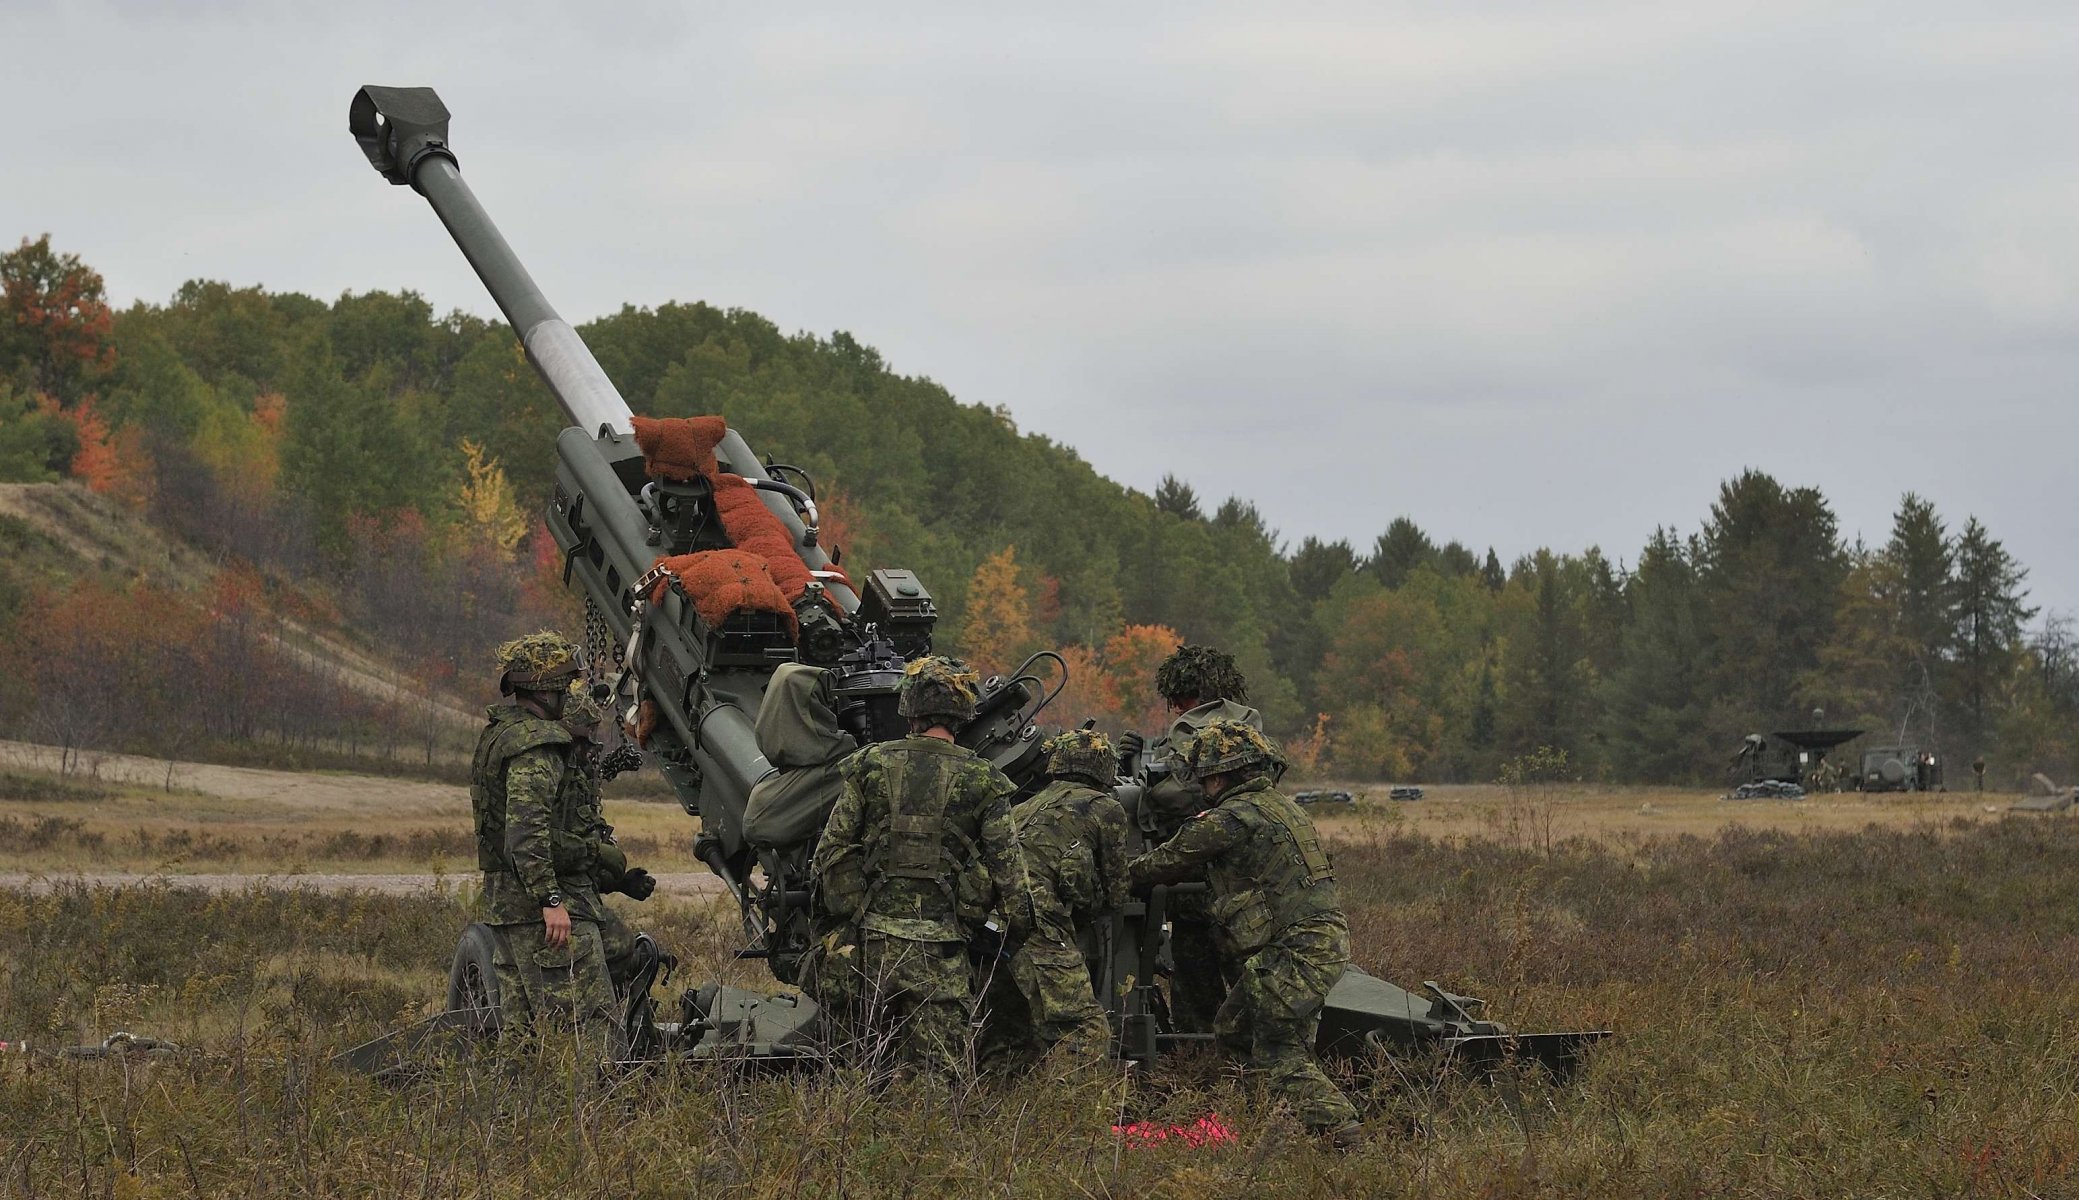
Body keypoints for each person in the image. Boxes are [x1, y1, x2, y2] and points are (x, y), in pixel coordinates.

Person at [1129, 719, 1362, 1147]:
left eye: (1204, 779)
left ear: (1218, 776)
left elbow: (1166, 862)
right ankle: (1261, 1131)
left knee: (1277, 1049)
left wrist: (1121, 875)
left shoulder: (1234, 816)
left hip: (1296, 949)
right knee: (1234, 1029)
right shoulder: (1279, 805)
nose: (1202, 787)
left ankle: (1341, 1131)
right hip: (1308, 944)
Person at [811, 655, 1027, 1076]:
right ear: (964, 712)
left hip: (869, 946)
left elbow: (830, 852)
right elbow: (1011, 876)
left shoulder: (870, 765)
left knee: (860, 1072)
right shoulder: (984, 779)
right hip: (942, 952)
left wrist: (840, 921)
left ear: (909, 708)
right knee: (936, 1079)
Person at [469, 632, 617, 1048]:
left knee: (520, 1036)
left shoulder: (500, 734)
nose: (567, 693)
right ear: (545, 687)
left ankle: (513, 1112)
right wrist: (551, 901)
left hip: (505, 905)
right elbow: (526, 830)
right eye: (563, 684)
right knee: (590, 1029)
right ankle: (591, 1113)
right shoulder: (538, 743)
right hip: (540, 911)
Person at [1118, 644, 1262, 1033]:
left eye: (1181, 699)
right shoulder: (1247, 734)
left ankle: (1209, 1063)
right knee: (1234, 989)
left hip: (1210, 886)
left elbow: (1174, 797)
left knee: (1225, 991)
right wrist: (1131, 764)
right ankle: (1208, 1067)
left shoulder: (1214, 740)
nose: (1177, 709)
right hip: (1221, 893)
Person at [995, 728, 1129, 1070]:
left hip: (997, 923)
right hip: (1041, 924)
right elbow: (1117, 891)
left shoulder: (1024, 807)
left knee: (1013, 1031)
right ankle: (1073, 1114)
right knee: (1086, 1028)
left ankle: (996, 1108)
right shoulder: (1105, 808)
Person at [558, 691, 659, 994]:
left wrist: (620, 883)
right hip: (547, 896)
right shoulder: (548, 777)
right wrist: (597, 854)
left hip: (573, 890)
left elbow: (583, 852)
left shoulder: (579, 780)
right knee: (616, 945)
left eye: (593, 734)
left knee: (625, 946)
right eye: (583, 736)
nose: (590, 746)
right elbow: (541, 848)